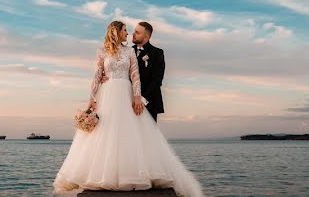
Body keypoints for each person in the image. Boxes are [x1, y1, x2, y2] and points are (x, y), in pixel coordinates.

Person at [53, 21, 203, 196]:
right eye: (125, 30)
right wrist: (92, 98)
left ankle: (134, 172)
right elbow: (97, 74)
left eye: (134, 32)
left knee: (131, 133)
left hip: (126, 93)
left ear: (146, 36)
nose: (129, 33)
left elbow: (135, 75)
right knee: (106, 131)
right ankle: (103, 173)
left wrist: (138, 97)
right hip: (107, 94)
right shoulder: (101, 52)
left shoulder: (130, 51)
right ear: (116, 32)